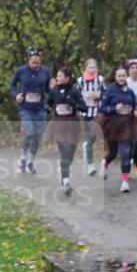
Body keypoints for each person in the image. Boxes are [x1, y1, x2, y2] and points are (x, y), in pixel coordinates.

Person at [43, 66, 87, 196]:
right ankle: (66, 181)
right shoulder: (54, 91)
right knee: (64, 153)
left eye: (60, 76)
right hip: (58, 124)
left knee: (70, 154)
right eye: (57, 75)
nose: (58, 78)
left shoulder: (74, 92)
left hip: (72, 124)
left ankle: (63, 172)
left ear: (67, 78)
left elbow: (84, 107)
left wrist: (75, 104)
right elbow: (48, 104)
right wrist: (46, 107)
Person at [96, 63, 137, 193]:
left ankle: (124, 181)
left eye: (123, 75)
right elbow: (102, 108)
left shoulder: (130, 92)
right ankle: (105, 163)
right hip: (112, 124)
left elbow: (134, 106)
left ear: (126, 76)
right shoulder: (110, 91)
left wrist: (135, 112)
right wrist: (115, 108)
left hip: (127, 124)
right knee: (113, 153)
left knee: (125, 152)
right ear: (115, 77)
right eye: (119, 76)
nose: (121, 78)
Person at [9, 46, 52, 174]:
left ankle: (31, 161)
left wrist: (52, 99)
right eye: (33, 62)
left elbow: (48, 90)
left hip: (39, 108)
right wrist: (16, 95)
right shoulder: (21, 71)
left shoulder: (45, 71)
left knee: (38, 135)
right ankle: (22, 158)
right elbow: (12, 85)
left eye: (37, 62)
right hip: (25, 108)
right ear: (28, 60)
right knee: (29, 132)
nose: (35, 65)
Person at [76, 58, 106, 176]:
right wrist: (81, 101)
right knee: (89, 137)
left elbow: (106, 93)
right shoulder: (80, 81)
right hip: (86, 113)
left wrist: (98, 95)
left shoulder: (100, 79)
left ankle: (102, 161)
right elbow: (76, 95)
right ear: (85, 68)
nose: (92, 70)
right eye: (90, 67)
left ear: (97, 68)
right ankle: (90, 165)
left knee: (98, 137)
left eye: (94, 67)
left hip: (97, 112)